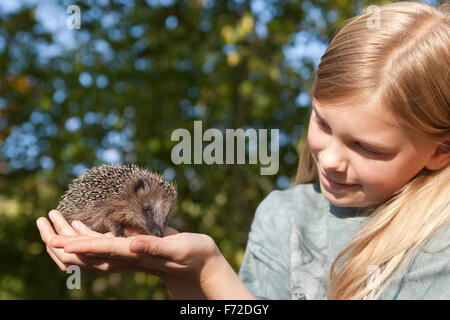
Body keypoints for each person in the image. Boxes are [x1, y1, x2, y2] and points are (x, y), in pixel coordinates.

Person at [37, 1, 450, 300]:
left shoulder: (439, 241)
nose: (329, 159)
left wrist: (211, 269)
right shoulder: (283, 217)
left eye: (367, 147)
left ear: (440, 150)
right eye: (322, 123)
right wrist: (190, 275)